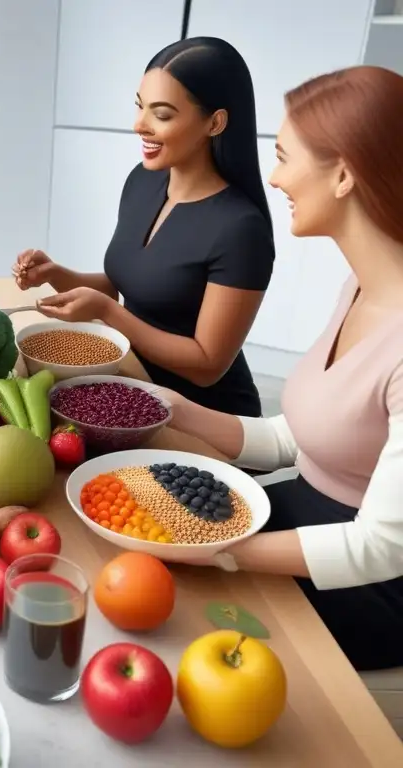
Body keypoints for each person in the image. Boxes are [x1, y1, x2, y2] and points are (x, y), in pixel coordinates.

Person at [162, 66, 403, 671]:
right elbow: (300, 437)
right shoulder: (360, 286)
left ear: (345, 173)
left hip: (365, 585)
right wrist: (173, 410)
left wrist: (223, 551)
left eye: (285, 156)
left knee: (171, 625)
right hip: (302, 518)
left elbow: (380, 546)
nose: (274, 176)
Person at [15, 37, 274, 417]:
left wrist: (108, 312)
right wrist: (57, 274)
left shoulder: (241, 229)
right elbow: (132, 284)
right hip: (136, 386)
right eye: (140, 107)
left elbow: (207, 366)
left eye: (162, 114)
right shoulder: (144, 180)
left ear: (215, 123)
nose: (140, 125)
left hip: (207, 417)